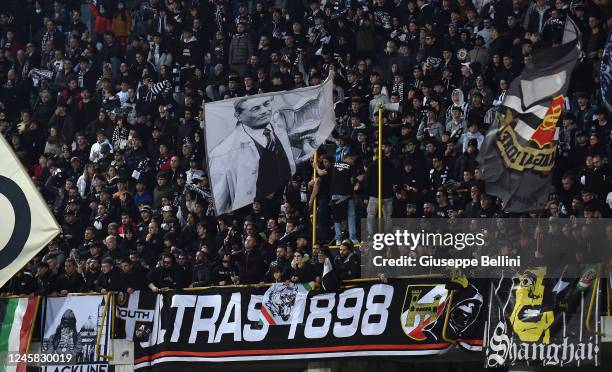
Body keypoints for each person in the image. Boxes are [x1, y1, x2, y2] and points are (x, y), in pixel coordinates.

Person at [209, 96, 295, 213]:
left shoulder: (283, 129)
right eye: (255, 109)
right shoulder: (222, 153)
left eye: (266, 104)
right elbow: (221, 202)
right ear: (238, 116)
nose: (264, 111)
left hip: (284, 208)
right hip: (253, 212)